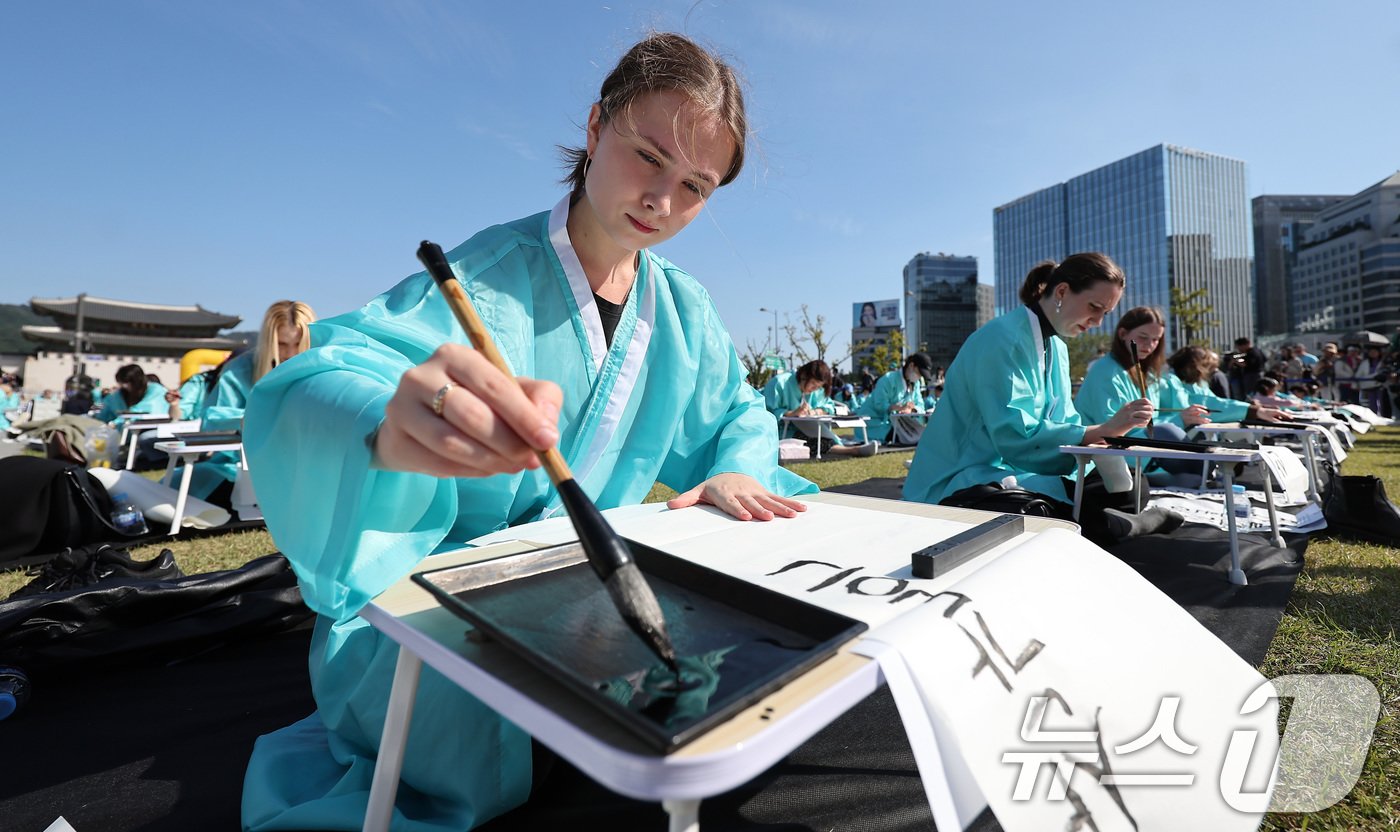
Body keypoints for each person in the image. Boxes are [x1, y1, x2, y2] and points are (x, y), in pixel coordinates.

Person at [239, 33, 814, 832]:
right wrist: (389, 422)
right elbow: (330, 376)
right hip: (448, 601)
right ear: (594, 126)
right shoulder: (483, 274)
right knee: (456, 731)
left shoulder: (683, 308)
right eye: (648, 157)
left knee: (753, 680)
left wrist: (737, 467)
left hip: (597, 595)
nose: (663, 201)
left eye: (696, 186)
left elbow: (737, 415)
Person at [904, 253, 1163, 543]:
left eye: (1106, 313)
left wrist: (1098, 441)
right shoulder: (1002, 339)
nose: (1098, 321)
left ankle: (1105, 521)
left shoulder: (1058, 347)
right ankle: (1115, 525)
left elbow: (1065, 421)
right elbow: (1014, 436)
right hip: (963, 476)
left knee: (1131, 485)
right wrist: (1102, 430)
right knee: (1033, 514)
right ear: (1062, 291)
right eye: (1095, 307)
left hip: (1023, 467)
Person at [182, 303, 314, 506]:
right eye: (281, 344)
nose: (290, 353)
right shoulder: (239, 370)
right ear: (268, 341)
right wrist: (247, 418)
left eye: (298, 344)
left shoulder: (321, 367)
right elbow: (211, 417)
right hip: (242, 465)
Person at [1072, 307, 1209, 475]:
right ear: (1123, 334)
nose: (1149, 345)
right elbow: (1113, 430)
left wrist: (1183, 417)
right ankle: (1206, 472)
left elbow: (1154, 420)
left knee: (1196, 438)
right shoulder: (1105, 371)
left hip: (1140, 451)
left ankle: (1207, 471)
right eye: (1143, 337)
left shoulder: (1148, 373)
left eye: (1156, 340)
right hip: (1108, 454)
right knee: (1186, 469)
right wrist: (1177, 420)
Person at [762, 359, 876, 457]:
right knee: (813, 442)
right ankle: (853, 451)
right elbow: (767, 412)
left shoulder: (817, 391)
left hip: (809, 429)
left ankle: (854, 449)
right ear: (803, 376)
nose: (814, 389)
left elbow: (829, 406)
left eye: (818, 386)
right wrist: (791, 413)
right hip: (782, 431)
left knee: (823, 439)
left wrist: (816, 411)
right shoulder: (780, 383)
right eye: (813, 384)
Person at [1164, 346, 1282, 423]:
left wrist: (1253, 409)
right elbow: (1211, 404)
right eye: (1208, 367)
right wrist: (1253, 410)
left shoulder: (1198, 383)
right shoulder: (1170, 382)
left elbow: (1217, 402)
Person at [857, 352, 933, 445]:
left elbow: (920, 405)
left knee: (923, 435)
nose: (919, 377)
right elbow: (879, 405)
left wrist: (912, 409)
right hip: (875, 422)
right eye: (919, 373)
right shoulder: (888, 379)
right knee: (904, 437)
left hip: (898, 424)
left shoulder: (915, 383)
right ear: (912, 365)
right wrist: (896, 408)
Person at [94, 364, 168, 424]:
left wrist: (115, 423)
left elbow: (143, 409)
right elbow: (107, 407)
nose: (123, 386)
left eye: (125, 383)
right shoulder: (121, 393)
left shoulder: (156, 390)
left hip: (152, 427)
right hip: (126, 429)